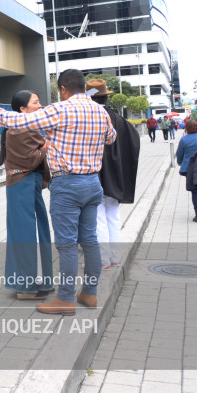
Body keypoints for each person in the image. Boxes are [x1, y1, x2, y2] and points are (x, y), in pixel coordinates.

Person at [0, 69, 116, 315]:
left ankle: (65, 299)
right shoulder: (100, 111)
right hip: (92, 183)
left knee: (66, 245)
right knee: (90, 240)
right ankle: (89, 293)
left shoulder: (61, 109)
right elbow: (110, 138)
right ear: (82, 86)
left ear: (63, 89)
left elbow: (21, 122)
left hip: (67, 184)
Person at [0, 90, 53, 300]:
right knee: (26, 234)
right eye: (35, 102)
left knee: (36, 231)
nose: (40, 106)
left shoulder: (24, 127)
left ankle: (38, 281)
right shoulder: (20, 129)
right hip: (23, 184)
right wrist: (46, 146)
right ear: (22, 109)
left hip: (28, 183)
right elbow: (31, 159)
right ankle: (27, 286)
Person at [87, 79, 140, 270]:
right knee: (113, 214)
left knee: (98, 215)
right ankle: (115, 258)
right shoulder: (121, 121)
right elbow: (133, 144)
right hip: (116, 176)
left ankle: (103, 260)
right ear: (106, 98)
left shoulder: (90, 119)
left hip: (95, 175)